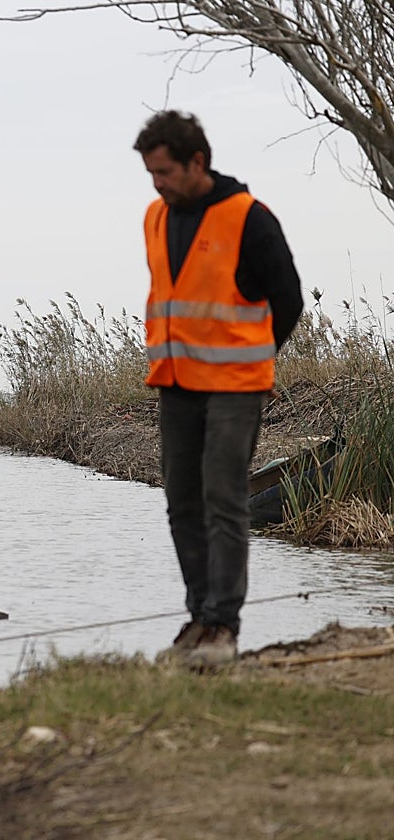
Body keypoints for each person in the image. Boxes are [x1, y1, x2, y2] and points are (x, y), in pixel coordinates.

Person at [132, 111, 304, 667]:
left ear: (197, 162)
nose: (157, 183)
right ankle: (200, 617)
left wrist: (255, 362)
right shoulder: (155, 217)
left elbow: (289, 299)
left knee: (223, 500)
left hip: (235, 387)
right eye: (150, 173)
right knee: (181, 502)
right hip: (176, 385)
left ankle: (223, 627)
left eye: (164, 172)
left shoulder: (248, 218)